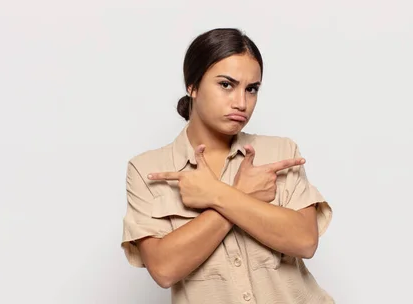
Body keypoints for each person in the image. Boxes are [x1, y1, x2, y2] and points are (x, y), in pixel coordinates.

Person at [121, 28, 334, 304]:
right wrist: (243, 194)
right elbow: (164, 269)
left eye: (252, 89)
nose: (241, 103)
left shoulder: (280, 152)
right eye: (226, 85)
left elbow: (305, 241)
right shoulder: (147, 170)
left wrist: (217, 195)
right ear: (193, 86)